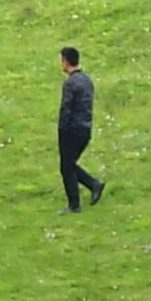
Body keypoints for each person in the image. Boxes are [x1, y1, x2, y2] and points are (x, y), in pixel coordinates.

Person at [57, 44, 106, 209]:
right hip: (85, 128)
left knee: (66, 167)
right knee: (69, 165)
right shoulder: (86, 80)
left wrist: (61, 129)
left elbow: (66, 108)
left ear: (65, 61)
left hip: (71, 129)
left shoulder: (70, 84)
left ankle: (75, 203)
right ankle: (93, 185)